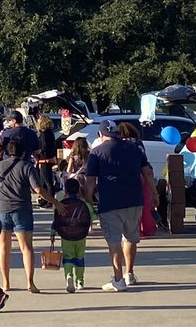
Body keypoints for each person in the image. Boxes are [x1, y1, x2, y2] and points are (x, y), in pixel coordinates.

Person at [0, 135, 62, 293]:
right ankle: (30, 283)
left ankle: (6, 283)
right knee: (26, 248)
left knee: (4, 248)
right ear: (23, 152)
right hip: (22, 209)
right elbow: (38, 189)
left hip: (2, 209)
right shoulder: (27, 166)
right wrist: (55, 202)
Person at [83, 119, 155, 292]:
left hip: (110, 202)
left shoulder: (97, 152)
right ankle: (129, 274)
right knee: (130, 237)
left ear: (100, 134)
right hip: (134, 199)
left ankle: (118, 279)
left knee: (114, 241)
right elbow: (147, 171)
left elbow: (90, 180)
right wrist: (154, 192)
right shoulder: (134, 148)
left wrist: (87, 200)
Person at [52, 178, 92, 292]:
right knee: (79, 257)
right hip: (81, 235)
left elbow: (56, 220)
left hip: (66, 236)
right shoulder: (84, 204)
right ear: (79, 191)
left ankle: (69, 275)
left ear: (66, 191)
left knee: (68, 257)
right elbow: (93, 216)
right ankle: (80, 281)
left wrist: (52, 232)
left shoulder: (62, 205)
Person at [34, 114, 59, 207]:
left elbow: (44, 146)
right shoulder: (50, 133)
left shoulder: (44, 134)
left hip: (44, 159)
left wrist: (38, 152)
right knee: (43, 181)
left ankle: (50, 201)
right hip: (48, 158)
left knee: (47, 181)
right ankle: (45, 199)